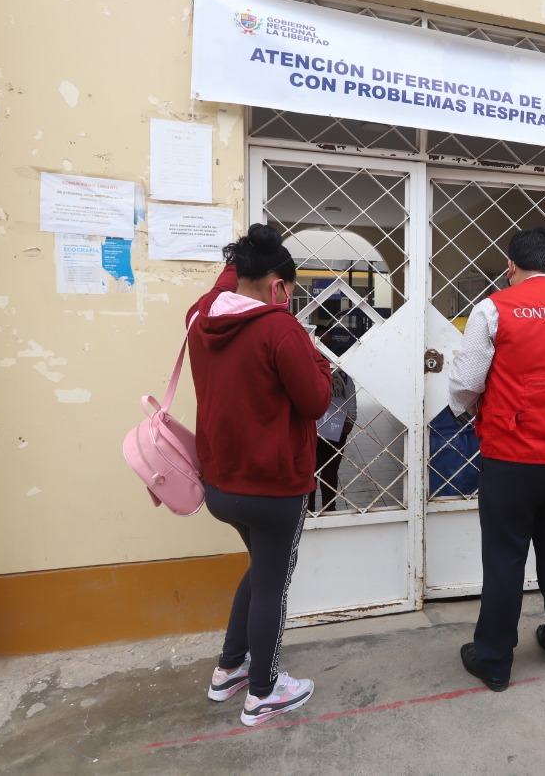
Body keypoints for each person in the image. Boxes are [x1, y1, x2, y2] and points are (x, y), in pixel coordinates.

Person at [187, 223, 333, 727]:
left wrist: (253, 248)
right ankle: (265, 691)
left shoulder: (201, 315)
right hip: (273, 487)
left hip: (220, 484)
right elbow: (316, 401)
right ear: (278, 287)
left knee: (259, 571)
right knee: (273, 584)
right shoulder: (279, 329)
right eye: (288, 291)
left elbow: (227, 278)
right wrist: (317, 356)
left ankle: (230, 668)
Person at [448, 227, 545, 692]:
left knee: (504, 557)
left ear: (511, 266)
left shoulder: (494, 308)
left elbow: (466, 382)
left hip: (512, 456)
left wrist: (465, 409)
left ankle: (495, 661)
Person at [311, 326, 358, 514]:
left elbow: (350, 395)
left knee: (330, 473)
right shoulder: (307, 366)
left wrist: (349, 422)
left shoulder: (340, 371)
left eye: (327, 341)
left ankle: (331, 510)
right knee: (310, 475)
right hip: (311, 431)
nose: (324, 344)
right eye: (320, 341)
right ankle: (309, 510)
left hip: (336, 431)